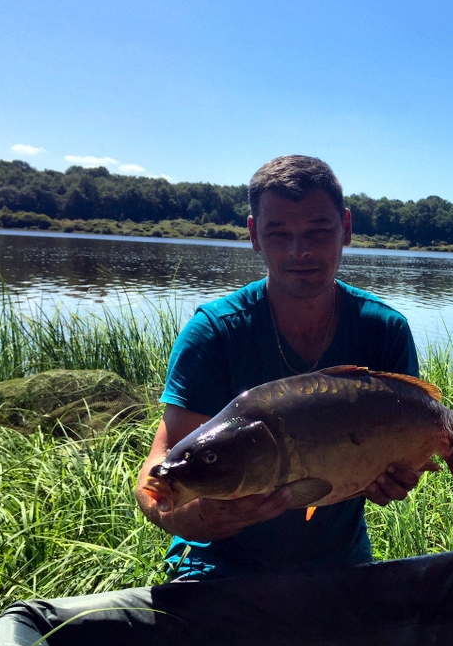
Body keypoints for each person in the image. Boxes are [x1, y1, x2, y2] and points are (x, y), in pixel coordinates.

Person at [136, 155, 424, 579]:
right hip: (216, 562)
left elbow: (409, 441)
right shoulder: (214, 332)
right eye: (278, 233)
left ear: (345, 228)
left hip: (338, 560)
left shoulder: (384, 329)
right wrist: (193, 519)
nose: (300, 251)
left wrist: (399, 476)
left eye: (318, 232)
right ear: (254, 235)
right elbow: (158, 467)